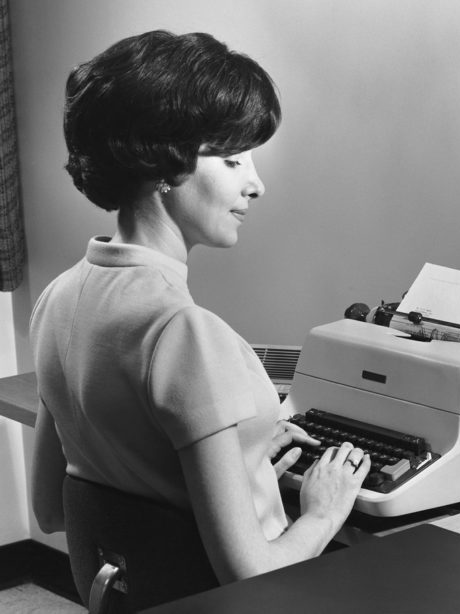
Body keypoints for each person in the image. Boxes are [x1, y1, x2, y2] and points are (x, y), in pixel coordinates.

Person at [30, 30, 370, 585]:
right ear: (161, 165)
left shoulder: (59, 298)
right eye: (233, 160)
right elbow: (248, 573)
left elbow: (51, 507)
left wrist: (243, 448)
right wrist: (323, 512)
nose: (256, 184)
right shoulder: (185, 333)